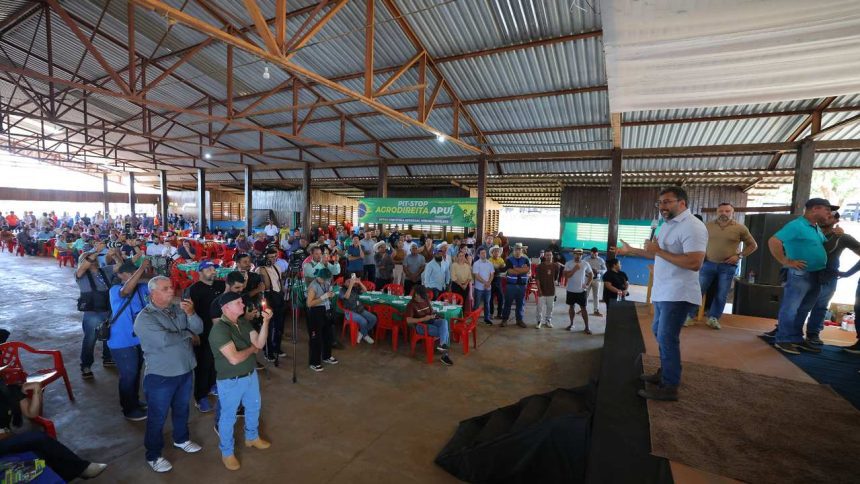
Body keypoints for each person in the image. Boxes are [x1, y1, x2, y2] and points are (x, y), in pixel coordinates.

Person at [618, 187, 708, 401]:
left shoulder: (693, 226)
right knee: (659, 332)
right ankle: (667, 371)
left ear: (682, 203)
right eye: (660, 203)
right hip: (663, 290)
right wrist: (632, 250)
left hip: (678, 292)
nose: (662, 206)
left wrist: (657, 251)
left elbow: (695, 262)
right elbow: (656, 253)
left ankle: (669, 386)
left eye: (667, 202)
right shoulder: (667, 225)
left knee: (667, 337)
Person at [134, 276, 204, 472]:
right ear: (152, 294)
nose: (171, 291)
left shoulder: (178, 309)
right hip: (161, 376)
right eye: (165, 288)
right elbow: (164, 340)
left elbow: (199, 328)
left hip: (185, 370)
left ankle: (181, 439)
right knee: (157, 417)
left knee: (182, 409)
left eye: (171, 287)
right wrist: (188, 334)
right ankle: (153, 455)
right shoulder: (145, 318)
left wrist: (191, 314)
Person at [209, 292, 272, 471]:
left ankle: (252, 437)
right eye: (238, 303)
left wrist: (266, 322)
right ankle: (227, 452)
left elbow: (259, 343)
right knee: (228, 417)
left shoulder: (243, 322)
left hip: (250, 375)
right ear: (226, 307)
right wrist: (252, 349)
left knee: (253, 407)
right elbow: (234, 359)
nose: (243, 305)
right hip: (231, 381)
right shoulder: (219, 330)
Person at [765, 198, 835, 355]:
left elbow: (819, 244)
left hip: (816, 274)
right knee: (791, 308)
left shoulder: (814, 227)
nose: (829, 213)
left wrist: (835, 233)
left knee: (804, 309)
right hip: (800, 274)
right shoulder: (796, 225)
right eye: (827, 210)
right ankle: (783, 339)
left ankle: (795, 338)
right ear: (815, 209)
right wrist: (786, 261)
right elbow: (774, 241)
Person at [0, 380, 107, 480]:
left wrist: (37, 390)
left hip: (7, 439)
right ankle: (81, 468)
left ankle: (64, 477)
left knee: (40, 455)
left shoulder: (8, 391)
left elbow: (31, 413)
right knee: (37, 437)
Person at [686, 202, 758, 329]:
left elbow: (753, 245)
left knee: (721, 293)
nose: (723, 213)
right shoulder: (707, 226)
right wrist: (701, 254)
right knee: (698, 291)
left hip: (727, 267)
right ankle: (688, 316)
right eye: (721, 211)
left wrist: (739, 256)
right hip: (707, 264)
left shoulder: (740, 228)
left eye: (727, 211)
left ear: (732, 213)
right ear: (717, 212)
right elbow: (697, 241)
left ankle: (713, 318)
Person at [805, 212, 860, 345]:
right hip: (805, 274)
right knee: (795, 304)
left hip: (828, 276)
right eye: (824, 216)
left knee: (820, 306)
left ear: (836, 220)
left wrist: (848, 273)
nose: (825, 218)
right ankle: (785, 330)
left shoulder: (842, 237)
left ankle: (813, 334)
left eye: (830, 217)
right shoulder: (809, 232)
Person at [109, 259, 151, 421]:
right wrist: (141, 268)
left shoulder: (142, 288)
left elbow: (154, 286)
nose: (135, 276)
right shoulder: (115, 290)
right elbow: (126, 291)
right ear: (121, 275)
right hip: (122, 341)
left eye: (136, 273)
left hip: (138, 339)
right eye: (131, 274)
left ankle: (134, 401)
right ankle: (129, 409)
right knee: (128, 375)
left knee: (135, 373)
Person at [187, 260, 225, 413]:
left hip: (219, 330)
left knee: (216, 360)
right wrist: (192, 333)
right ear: (200, 272)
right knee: (203, 364)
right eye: (209, 269)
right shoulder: (193, 290)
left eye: (214, 269)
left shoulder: (221, 285)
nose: (213, 271)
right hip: (202, 333)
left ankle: (212, 385)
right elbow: (187, 313)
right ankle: (200, 396)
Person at [75, 241, 115, 379]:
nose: (94, 261)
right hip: (92, 313)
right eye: (90, 259)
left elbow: (120, 266)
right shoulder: (81, 275)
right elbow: (84, 266)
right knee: (90, 339)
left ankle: (108, 358)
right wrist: (96, 251)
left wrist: (115, 254)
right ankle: (86, 365)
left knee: (108, 335)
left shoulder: (104, 271)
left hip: (107, 309)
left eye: (95, 259)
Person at [404, 285, 453, 366]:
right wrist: (423, 319)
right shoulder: (411, 304)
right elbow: (408, 320)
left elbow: (431, 311)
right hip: (420, 326)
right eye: (422, 297)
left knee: (444, 322)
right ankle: (444, 355)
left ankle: (442, 345)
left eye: (424, 297)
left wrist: (434, 314)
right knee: (444, 331)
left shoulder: (425, 300)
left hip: (430, 320)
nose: (423, 299)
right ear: (416, 294)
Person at [305, 266, 339, 372]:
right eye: (324, 279)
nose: (325, 281)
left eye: (327, 279)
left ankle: (327, 356)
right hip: (315, 312)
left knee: (328, 335)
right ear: (318, 277)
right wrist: (323, 297)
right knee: (316, 338)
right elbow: (309, 303)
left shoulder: (326, 283)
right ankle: (314, 362)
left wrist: (330, 295)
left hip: (326, 311)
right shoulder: (313, 286)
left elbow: (328, 291)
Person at [257, 248, 286, 361]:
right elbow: (267, 285)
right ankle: (268, 351)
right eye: (271, 257)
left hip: (278, 297)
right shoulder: (260, 269)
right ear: (265, 257)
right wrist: (263, 268)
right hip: (268, 298)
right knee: (268, 326)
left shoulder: (277, 267)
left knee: (279, 326)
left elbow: (280, 281)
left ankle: (276, 347)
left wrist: (283, 291)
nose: (273, 259)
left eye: (275, 257)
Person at [562, 249, 593, 333]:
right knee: (571, 307)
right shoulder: (568, 263)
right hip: (571, 289)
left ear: (582, 255)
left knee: (583, 308)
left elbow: (591, 274)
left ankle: (587, 327)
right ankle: (571, 324)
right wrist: (574, 269)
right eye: (576, 254)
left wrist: (587, 284)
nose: (578, 256)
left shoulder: (585, 263)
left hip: (581, 291)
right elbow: (565, 276)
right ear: (573, 254)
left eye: (580, 254)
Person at [501, 243, 530, 328]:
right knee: (507, 303)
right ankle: (504, 320)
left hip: (522, 286)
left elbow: (527, 270)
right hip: (511, 285)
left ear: (522, 251)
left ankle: (519, 320)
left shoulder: (526, 260)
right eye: (516, 249)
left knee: (520, 304)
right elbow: (510, 271)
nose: (518, 251)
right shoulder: (509, 260)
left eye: (519, 249)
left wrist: (515, 268)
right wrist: (521, 270)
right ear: (513, 251)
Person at [340, 276, 377, 344]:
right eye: (348, 281)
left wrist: (359, 282)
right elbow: (346, 297)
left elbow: (365, 290)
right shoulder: (342, 290)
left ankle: (361, 333)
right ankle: (365, 335)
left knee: (373, 318)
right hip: (350, 312)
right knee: (364, 321)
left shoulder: (355, 288)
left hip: (359, 309)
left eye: (351, 281)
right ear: (344, 282)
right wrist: (350, 285)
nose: (350, 282)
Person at [536, 252, 564, 329]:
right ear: (544, 256)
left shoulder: (555, 266)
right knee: (539, 308)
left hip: (551, 290)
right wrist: (539, 289)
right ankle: (539, 321)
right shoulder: (540, 266)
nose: (549, 256)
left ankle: (548, 321)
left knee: (550, 307)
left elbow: (556, 278)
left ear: (552, 256)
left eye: (550, 255)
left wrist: (559, 266)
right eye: (547, 255)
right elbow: (537, 279)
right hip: (542, 291)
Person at [472, 248, 495, 325]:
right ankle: (474, 319)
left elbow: (492, 274)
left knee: (487, 303)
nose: (484, 254)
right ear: (478, 255)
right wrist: (485, 283)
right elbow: (476, 276)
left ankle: (486, 318)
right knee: (477, 304)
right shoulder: (476, 264)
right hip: (478, 288)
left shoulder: (490, 263)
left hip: (488, 287)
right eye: (482, 253)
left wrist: (489, 283)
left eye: (485, 253)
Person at [583, 248, 607, 316]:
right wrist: (588, 271)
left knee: (596, 295)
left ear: (597, 253)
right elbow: (582, 268)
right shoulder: (585, 259)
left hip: (597, 279)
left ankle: (596, 310)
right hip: (587, 278)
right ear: (590, 253)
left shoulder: (601, 260)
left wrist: (598, 271)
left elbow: (605, 270)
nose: (594, 256)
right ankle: (583, 309)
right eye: (592, 254)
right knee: (585, 294)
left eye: (595, 254)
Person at [488, 246, 506, 320]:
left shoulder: (501, 259)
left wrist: (498, 268)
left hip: (498, 280)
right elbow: (491, 269)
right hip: (491, 280)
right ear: (492, 253)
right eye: (495, 251)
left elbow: (504, 269)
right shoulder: (489, 260)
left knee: (501, 297)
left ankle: (499, 313)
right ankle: (491, 313)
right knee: (490, 298)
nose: (496, 253)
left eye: (498, 251)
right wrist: (499, 268)